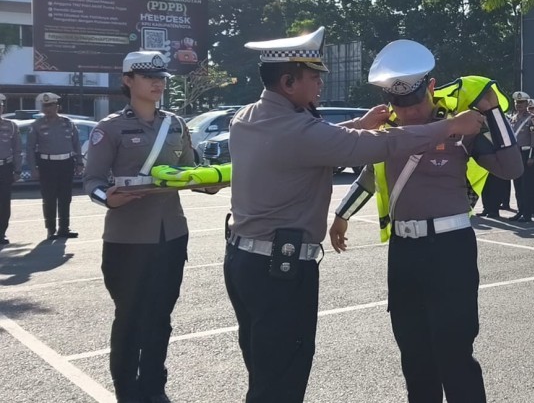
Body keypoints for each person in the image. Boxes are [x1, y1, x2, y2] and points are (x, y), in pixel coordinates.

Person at [223, 30, 484, 403]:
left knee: (264, 369)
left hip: (244, 262)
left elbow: (311, 139)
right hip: (278, 272)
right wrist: (451, 126)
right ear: (288, 82)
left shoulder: (246, 117)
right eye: (314, 77)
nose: (320, 84)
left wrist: (359, 123)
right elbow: (384, 144)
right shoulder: (299, 129)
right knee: (282, 375)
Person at [332, 39, 523, 403]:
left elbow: (511, 167)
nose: (410, 113)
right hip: (404, 252)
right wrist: (342, 214)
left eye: (415, 101)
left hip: (451, 251)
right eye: (399, 105)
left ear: (431, 88)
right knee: (415, 358)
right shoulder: (386, 132)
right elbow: (371, 177)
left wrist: (492, 112)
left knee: (455, 356)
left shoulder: (460, 128)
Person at [83, 51, 197, 403]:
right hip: (127, 239)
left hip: (171, 235)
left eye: (161, 76)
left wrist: (205, 182)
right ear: (127, 81)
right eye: (147, 76)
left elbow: (190, 169)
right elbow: (92, 181)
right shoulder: (110, 128)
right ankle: (127, 392)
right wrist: (108, 198)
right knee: (129, 318)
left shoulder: (175, 125)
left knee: (161, 317)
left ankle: (153, 386)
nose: (157, 82)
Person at [27, 92, 82, 239]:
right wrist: (33, 169)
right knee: (49, 198)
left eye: (51, 105)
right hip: (47, 164)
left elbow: (76, 144)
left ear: (57, 106)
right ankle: (51, 229)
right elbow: (30, 149)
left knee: (65, 197)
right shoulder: (36, 125)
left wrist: (79, 162)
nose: (48, 108)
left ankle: (64, 228)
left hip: (66, 163)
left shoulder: (68, 123)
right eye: (45, 106)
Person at [508, 93, 534, 222]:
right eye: (517, 102)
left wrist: (531, 156)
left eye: (521, 102)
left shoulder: (532, 119)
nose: (519, 105)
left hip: (527, 154)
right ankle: (520, 211)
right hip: (516, 154)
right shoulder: (513, 118)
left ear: (527, 104)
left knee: (527, 185)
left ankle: (527, 213)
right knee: (517, 184)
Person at [0, 93, 20, 247]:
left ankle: (1, 233)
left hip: (5, 167)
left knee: (4, 203)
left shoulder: (11, 126)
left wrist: (17, 170)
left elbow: (17, 149)